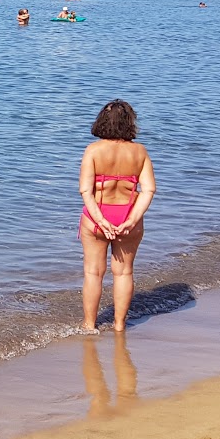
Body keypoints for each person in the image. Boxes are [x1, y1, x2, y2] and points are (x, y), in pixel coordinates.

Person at [78, 100, 156, 333]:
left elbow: (85, 190)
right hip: (128, 215)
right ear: (129, 122)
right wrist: (132, 219)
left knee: (93, 272)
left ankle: (90, 324)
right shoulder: (139, 152)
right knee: (124, 272)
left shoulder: (93, 150)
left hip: (97, 215)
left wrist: (100, 220)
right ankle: (120, 325)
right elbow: (149, 189)